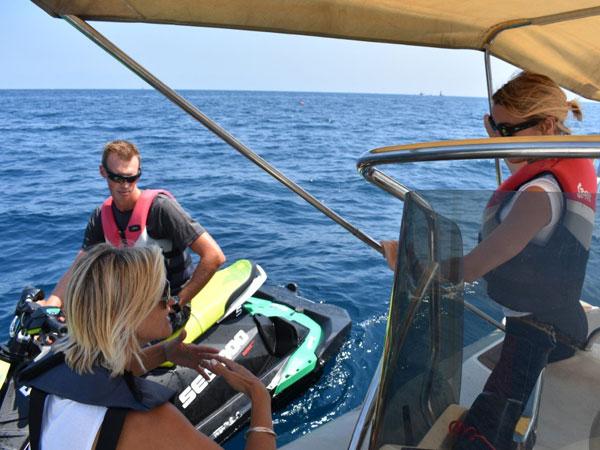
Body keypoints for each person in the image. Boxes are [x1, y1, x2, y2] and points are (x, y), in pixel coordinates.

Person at [382, 72, 596, 449]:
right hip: (560, 321)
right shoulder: (561, 174)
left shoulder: (538, 193)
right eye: (492, 126)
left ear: (546, 126)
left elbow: (472, 268)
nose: (497, 139)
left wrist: (410, 267)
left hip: (538, 332)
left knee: (479, 436)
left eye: (507, 130)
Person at [20, 244, 276, 450]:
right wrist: (259, 397)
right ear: (131, 313)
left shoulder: (58, 365)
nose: (172, 303)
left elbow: (103, 375)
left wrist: (164, 353)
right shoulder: (149, 422)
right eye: (162, 293)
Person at [42, 140, 225, 308]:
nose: (126, 185)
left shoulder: (161, 208)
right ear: (102, 172)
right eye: (117, 178)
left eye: (132, 178)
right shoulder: (100, 217)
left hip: (168, 305)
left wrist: (179, 301)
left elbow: (214, 256)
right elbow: (80, 266)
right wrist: (52, 304)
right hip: (132, 303)